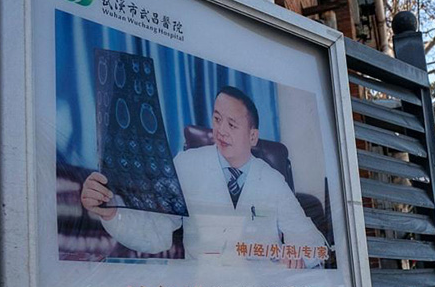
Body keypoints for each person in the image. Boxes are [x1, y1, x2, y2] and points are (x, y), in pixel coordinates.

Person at [81, 85, 327, 268]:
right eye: (217, 119)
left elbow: (315, 244)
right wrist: (112, 212)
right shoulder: (186, 164)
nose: (221, 131)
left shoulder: (273, 180)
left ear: (252, 136)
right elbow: (155, 233)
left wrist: (298, 256)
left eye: (232, 125)